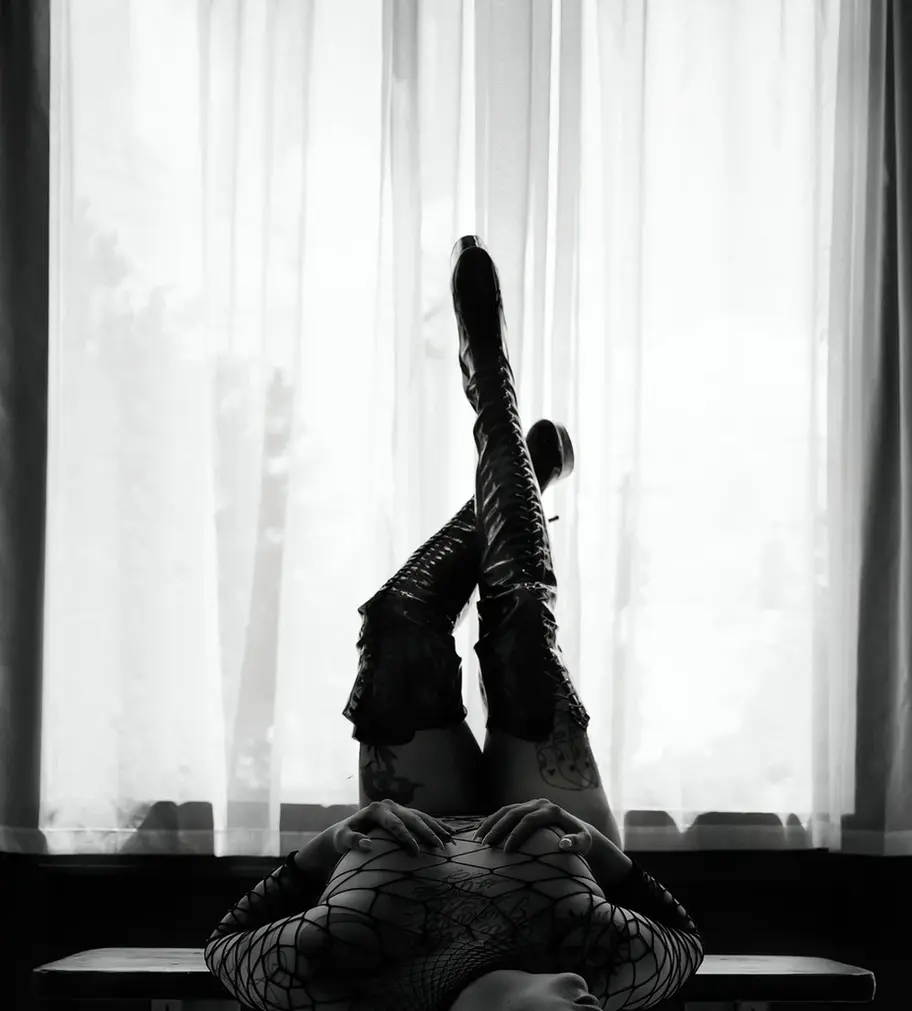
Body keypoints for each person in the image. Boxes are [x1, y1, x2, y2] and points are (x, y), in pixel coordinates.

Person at [204, 236, 704, 1011]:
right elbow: (685, 937)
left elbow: (226, 941)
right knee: (522, 627)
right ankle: (495, 395)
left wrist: (335, 840)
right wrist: (597, 850)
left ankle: (515, 476)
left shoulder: (337, 979)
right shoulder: (625, 971)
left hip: (421, 814)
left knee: (398, 622)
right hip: (551, 818)